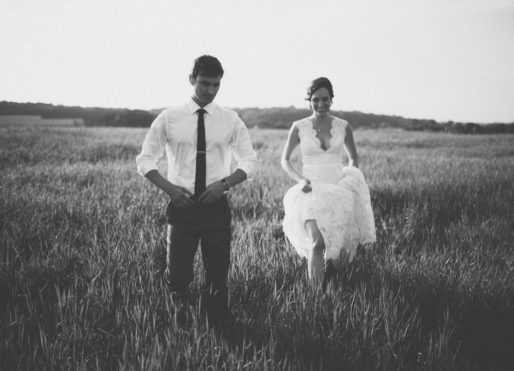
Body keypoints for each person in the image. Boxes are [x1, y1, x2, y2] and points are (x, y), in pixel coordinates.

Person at [136, 55, 258, 326]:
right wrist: (170, 190)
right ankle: (178, 320)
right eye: (205, 84)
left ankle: (219, 325)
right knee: (179, 277)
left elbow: (249, 161)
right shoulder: (169, 118)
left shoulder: (230, 119)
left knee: (217, 275)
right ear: (192, 79)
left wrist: (224, 185)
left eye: (216, 85)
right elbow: (144, 160)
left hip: (216, 208)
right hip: (182, 207)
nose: (211, 91)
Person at [281, 77, 376, 290]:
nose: (321, 104)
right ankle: (315, 298)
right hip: (310, 191)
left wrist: (350, 179)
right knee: (318, 242)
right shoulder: (299, 127)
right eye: (316, 100)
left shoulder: (343, 126)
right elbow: (285, 160)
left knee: (335, 248)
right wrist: (300, 179)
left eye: (325, 99)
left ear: (331, 100)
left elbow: (353, 158)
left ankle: (333, 289)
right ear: (309, 101)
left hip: (337, 192)